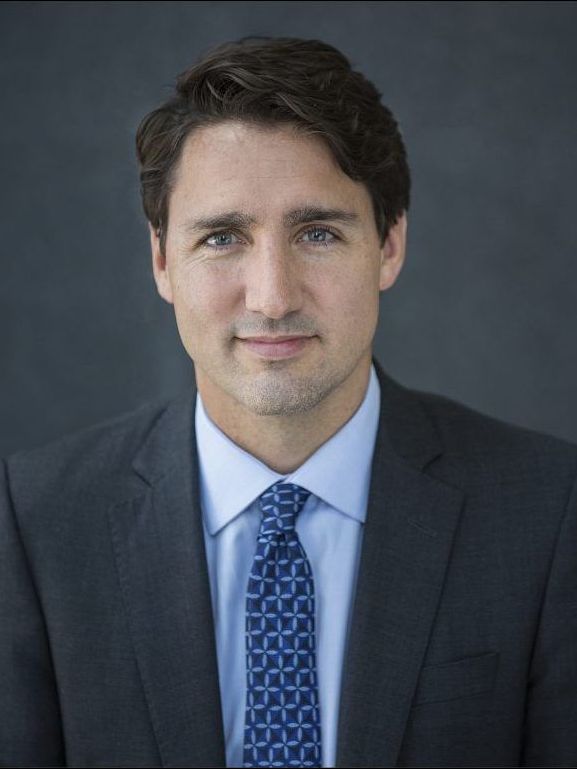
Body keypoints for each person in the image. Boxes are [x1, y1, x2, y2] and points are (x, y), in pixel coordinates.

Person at [1, 35, 576, 769]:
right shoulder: (37, 519)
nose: (272, 296)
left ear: (389, 244)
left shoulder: (550, 510)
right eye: (221, 237)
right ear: (161, 260)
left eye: (317, 232)